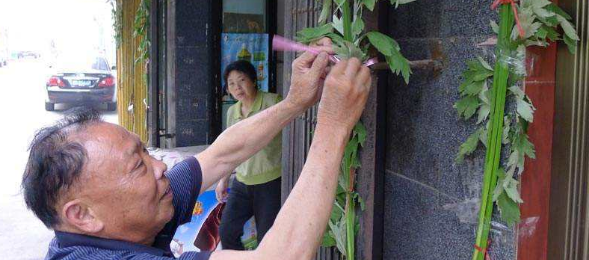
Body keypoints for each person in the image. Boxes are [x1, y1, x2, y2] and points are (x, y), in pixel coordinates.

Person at [21, 45, 372, 260]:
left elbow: (219, 156)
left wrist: (296, 101)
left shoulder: (123, 217)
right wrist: (334, 123)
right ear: (82, 215)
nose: (159, 165)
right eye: (137, 166)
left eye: (146, 153)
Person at [216, 60, 282, 250]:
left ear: (253, 80)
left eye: (242, 80)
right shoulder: (232, 112)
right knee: (227, 232)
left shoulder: (272, 102)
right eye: (231, 83)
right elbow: (230, 148)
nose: (237, 87)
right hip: (242, 183)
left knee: (267, 239)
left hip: (270, 183)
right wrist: (224, 179)